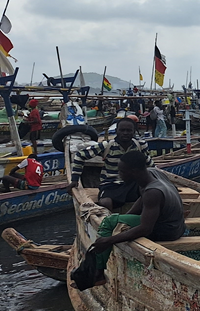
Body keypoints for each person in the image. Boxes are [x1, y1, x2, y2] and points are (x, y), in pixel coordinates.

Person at [86, 150, 186, 287]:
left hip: (168, 230)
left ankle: (97, 274)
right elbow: (141, 198)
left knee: (108, 222)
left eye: (122, 171)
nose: (119, 174)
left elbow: (145, 229)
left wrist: (109, 240)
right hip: (178, 225)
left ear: (133, 171)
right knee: (116, 220)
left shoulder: (153, 192)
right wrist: (125, 217)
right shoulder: (152, 174)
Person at [69, 116, 153, 210]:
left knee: (150, 195)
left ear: (134, 131)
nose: (125, 133)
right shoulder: (107, 145)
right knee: (105, 202)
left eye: (129, 130)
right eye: (122, 130)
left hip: (133, 183)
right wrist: (75, 179)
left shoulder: (140, 145)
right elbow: (80, 155)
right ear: (117, 131)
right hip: (110, 184)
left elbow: (149, 164)